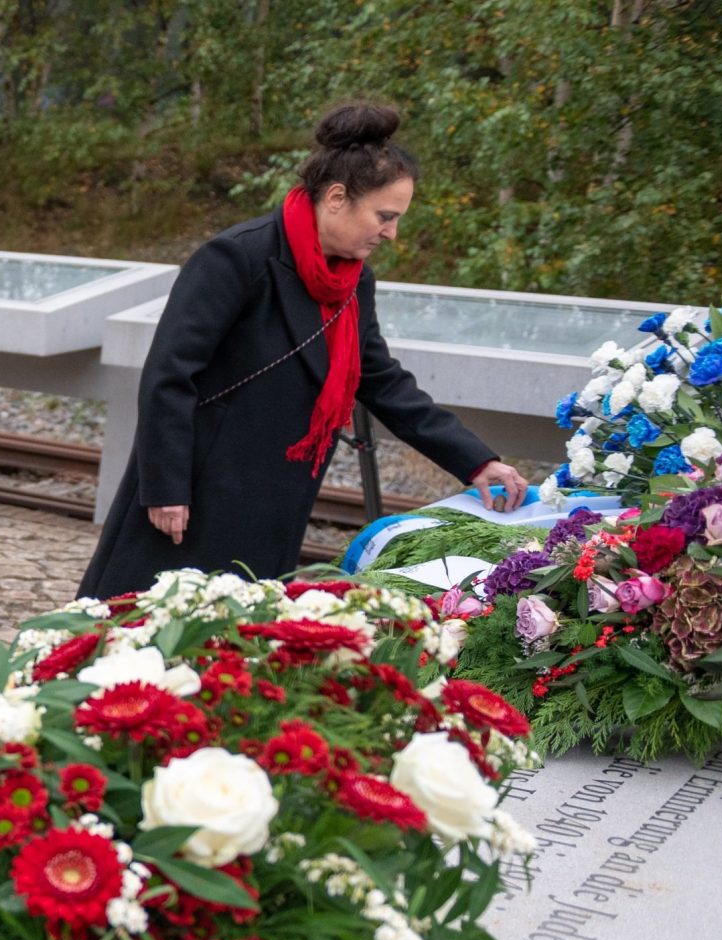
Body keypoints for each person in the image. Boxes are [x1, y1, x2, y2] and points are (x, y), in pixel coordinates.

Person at [81, 102, 528, 598]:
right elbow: (169, 375)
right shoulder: (237, 257)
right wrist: (165, 489)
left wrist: (475, 461)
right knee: (135, 629)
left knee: (228, 648)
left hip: (276, 496)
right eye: (384, 216)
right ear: (337, 197)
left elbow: (381, 380)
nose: (392, 233)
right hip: (196, 492)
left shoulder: (354, 282)